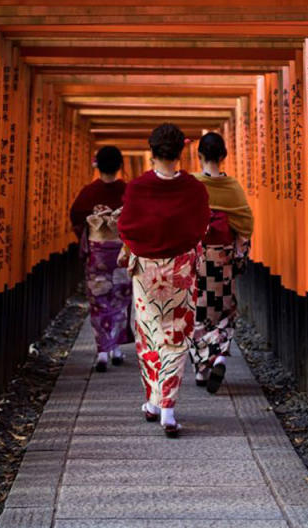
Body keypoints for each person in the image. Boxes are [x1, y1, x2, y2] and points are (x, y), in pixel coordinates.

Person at [118, 124, 210, 437]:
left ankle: (153, 401)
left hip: (146, 271)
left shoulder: (138, 188)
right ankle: (167, 408)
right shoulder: (194, 189)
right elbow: (200, 226)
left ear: (152, 151)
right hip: (181, 270)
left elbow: (127, 227)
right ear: (180, 152)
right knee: (176, 335)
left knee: (147, 332)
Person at [190, 132, 253, 394]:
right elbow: (245, 223)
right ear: (223, 156)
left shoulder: (193, 185)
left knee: (198, 309)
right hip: (224, 255)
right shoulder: (233, 187)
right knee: (224, 307)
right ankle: (219, 355)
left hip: (198, 256)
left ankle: (203, 368)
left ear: (200, 155)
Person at [70, 146, 132, 372]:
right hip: (120, 251)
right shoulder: (127, 191)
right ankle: (116, 348)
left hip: (97, 253)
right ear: (119, 166)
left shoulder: (89, 192)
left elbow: (76, 215)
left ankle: (103, 351)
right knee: (120, 298)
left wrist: (91, 228)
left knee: (99, 301)